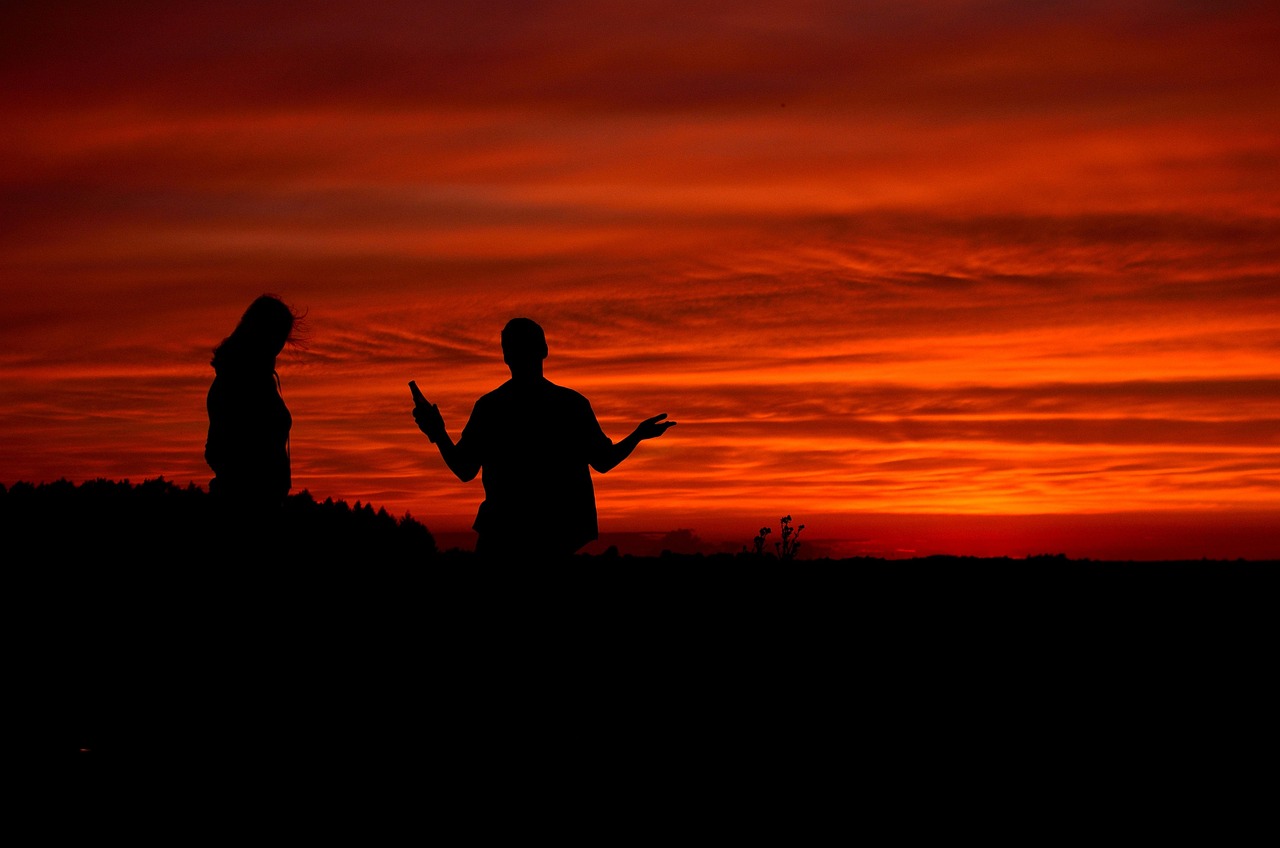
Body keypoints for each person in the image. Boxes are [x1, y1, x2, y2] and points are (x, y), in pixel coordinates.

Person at [412, 317, 676, 560]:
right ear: (544, 350)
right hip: (554, 539)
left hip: (502, 538)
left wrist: (438, 433)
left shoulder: (491, 407)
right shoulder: (571, 405)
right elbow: (604, 462)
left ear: (506, 356)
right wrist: (637, 436)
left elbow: (464, 469)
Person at [205, 294, 305, 516]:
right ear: (260, 332)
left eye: (282, 338)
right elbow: (218, 449)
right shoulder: (238, 379)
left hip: (263, 502)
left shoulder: (258, 379)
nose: (279, 345)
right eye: (276, 335)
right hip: (246, 505)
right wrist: (250, 486)